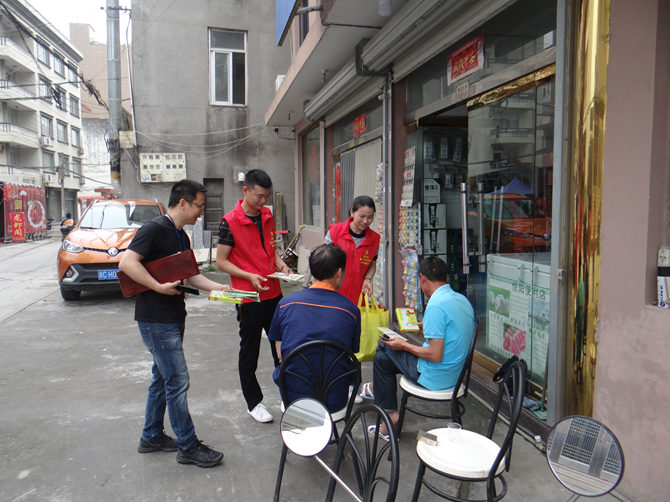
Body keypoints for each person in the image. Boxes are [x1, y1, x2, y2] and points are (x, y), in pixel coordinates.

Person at [119, 179, 230, 468]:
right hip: (156, 320)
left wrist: (219, 288)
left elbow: (190, 275)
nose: (202, 212)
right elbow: (127, 263)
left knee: (162, 379)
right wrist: (157, 286)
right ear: (183, 203)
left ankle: (151, 436)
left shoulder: (181, 236)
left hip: (172, 317)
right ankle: (187, 445)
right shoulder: (154, 229)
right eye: (199, 206)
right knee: (177, 380)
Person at [359, 256, 475, 440]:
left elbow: (435, 355)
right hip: (456, 374)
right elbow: (451, 334)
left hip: (435, 377)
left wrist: (404, 345)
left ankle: (388, 413)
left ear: (422, 278)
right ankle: (379, 394)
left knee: (383, 346)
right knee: (383, 358)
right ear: (446, 277)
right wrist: (426, 328)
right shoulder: (461, 300)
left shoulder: (436, 306)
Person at [216, 169, 292, 423]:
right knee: (250, 350)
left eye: (267, 196)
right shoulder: (229, 222)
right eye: (259, 196)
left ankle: (287, 394)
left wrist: (281, 265)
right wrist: (248, 275)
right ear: (245, 190)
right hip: (247, 296)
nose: (263, 201)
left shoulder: (267, 215)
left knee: (282, 344)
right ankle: (254, 403)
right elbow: (221, 261)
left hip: (273, 291)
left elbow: (270, 249)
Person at [268, 244, 361, 412]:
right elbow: (352, 351)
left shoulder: (285, 304)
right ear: (339, 273)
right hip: (334, 398)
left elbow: (280, 353)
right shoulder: (351, 310)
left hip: (293, 396)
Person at [324, 196, 380, 304]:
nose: (365, 221)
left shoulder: (374, 239)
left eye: (370, 217)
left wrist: (367, 279)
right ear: (352, 212)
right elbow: (322, 260)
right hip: (333, 293)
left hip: (358, 296)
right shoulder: (334, 232)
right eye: (362, 216)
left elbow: (372, 263)